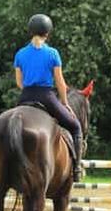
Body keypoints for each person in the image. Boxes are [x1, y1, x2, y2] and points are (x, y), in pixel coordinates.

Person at [14, 14, 84, 181]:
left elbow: (19, 82)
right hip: (46, 96)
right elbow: (60, 83)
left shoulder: (20, 54)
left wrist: (29, 91)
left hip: (25, 96)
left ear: (30, 31)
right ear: (47, 32)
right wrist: (65, 104)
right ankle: (76, 168)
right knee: (75, 127)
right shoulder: (53, 53)